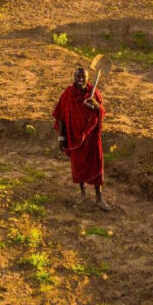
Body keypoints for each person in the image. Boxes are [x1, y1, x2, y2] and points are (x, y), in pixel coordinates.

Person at [52, 66, 111, 211]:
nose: (80, 80)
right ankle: (83, 193)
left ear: (87, 79)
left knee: (97, 166)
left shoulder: (94, 93)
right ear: (74, 77)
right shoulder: (68, 94)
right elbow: (61, 116)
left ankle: (99, 198)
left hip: (92, 138)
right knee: (78, 167)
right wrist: (61, 137)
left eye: (83, 77)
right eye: (78, 77)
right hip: (75, 137)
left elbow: (101, 112)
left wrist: (95, 106)